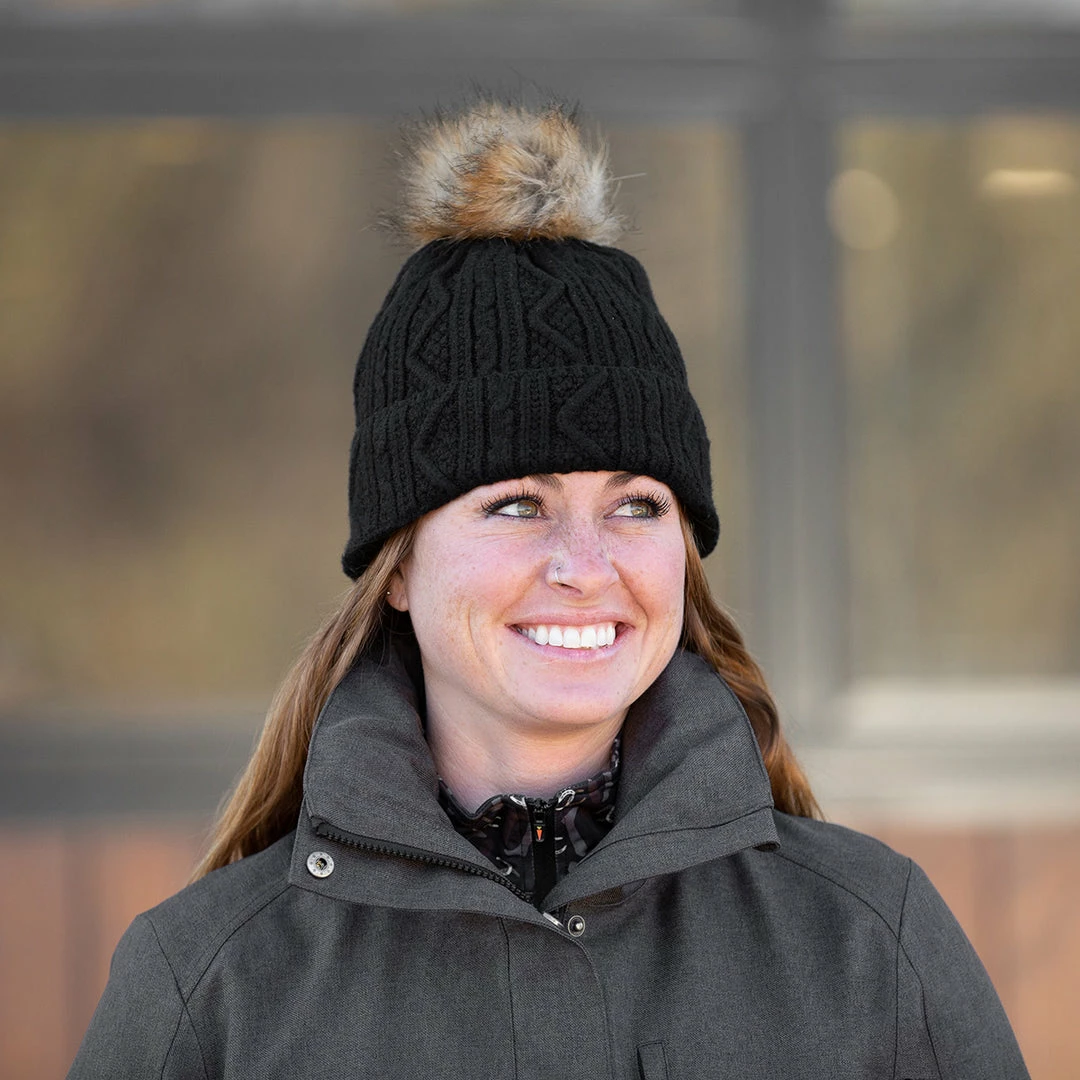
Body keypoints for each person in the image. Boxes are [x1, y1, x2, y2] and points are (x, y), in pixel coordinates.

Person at [69, 98, 1029, 1079]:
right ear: (397, 568)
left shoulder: (869, 939)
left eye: (636, 505)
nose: (586, 565)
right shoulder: (211, 982)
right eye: (518, 506)